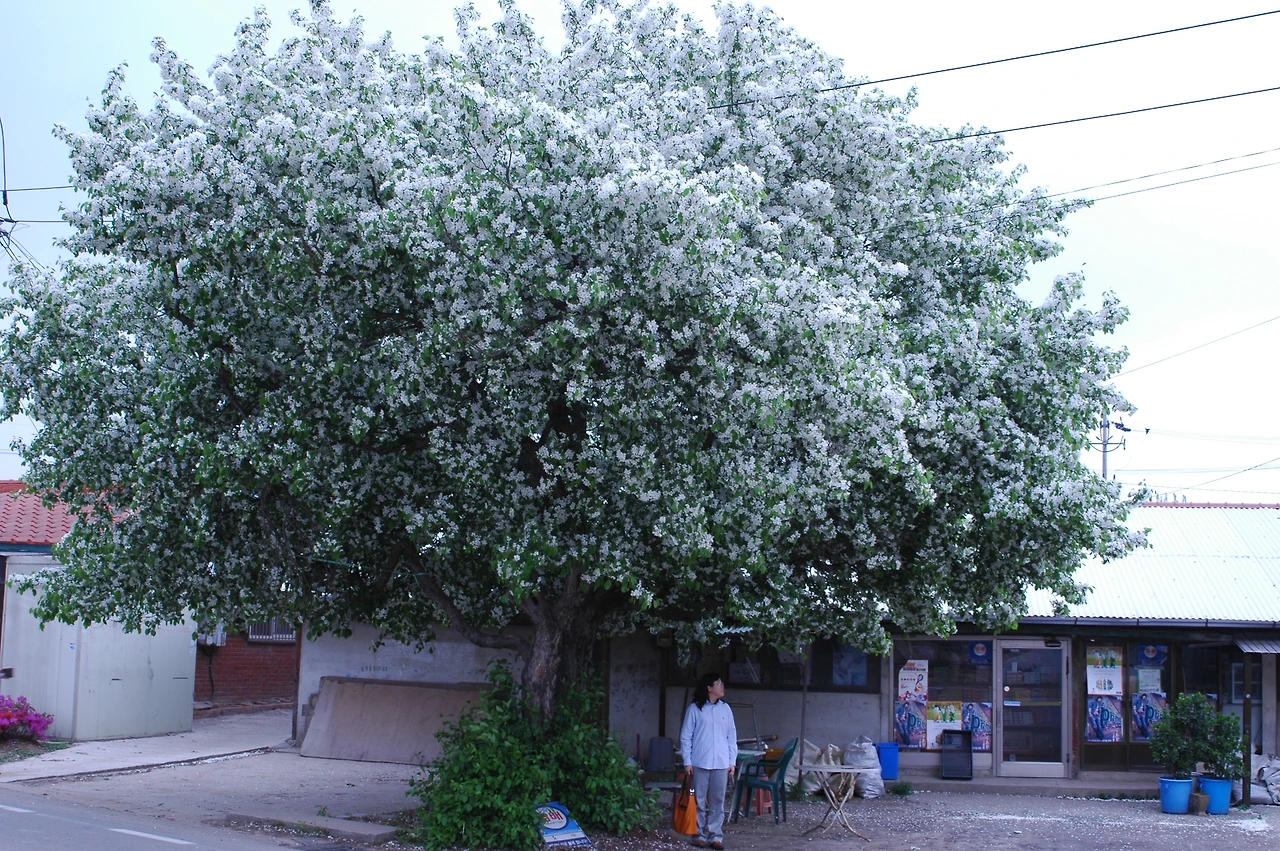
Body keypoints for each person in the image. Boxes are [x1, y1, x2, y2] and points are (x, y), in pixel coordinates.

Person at [679, 673, 737, 850]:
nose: (722, 686)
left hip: (721, 762)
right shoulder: (695, 709)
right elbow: (686, 737)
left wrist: (731, 761)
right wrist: (687, 761)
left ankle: (715, 835)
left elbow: (731, 736)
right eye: (718, 684)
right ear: (709, 688)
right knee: (698, 799)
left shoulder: (726, 709)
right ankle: (698, 834)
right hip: (700, 761)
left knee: (718, 800)